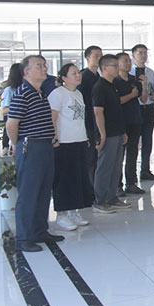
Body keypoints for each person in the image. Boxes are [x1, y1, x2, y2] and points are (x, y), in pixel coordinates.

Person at [6, 55, 64, 252]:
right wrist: (18, 144)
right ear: (26, 72)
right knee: (29, 193)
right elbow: (11, 124)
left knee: (43, 191)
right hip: (31, 147)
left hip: (45, 146)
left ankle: (40, 230)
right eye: (39, 66)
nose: (44, 68)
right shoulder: (22, 94)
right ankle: (23, 238)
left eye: (44, 65)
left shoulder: (39, 93)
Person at [48, 64, 95, 228]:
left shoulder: (78, 93)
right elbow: (52, 118)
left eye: (78, 72)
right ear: (64, 78)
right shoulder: (58, 94)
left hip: (79, 141)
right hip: (64, 143)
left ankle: (73, 212)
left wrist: (85, 137)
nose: (78, 75)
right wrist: (54, 138)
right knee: (64, 180)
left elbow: (80, 119)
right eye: (73, 73)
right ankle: (61, 214)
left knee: (78, 178)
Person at [92, 54, 131, 212]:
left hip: (117, 132)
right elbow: (98, 113)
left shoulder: (112, 85)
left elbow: (117, 111)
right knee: (105, 167)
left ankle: (112, 198)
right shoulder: (99, 87)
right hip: (107, 134)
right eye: (114, 65)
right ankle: (100, 201)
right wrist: (102, 135)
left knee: (116, 167)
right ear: (104, 68)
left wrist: (122, 131)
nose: (117, 68)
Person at [115, 52, 146, 195]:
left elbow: (143, 99)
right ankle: (117, 185)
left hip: (135, 119)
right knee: (119, 154)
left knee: (133, 153)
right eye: (125, 61)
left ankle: (131, 183)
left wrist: (143, 85)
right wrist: (131, 95)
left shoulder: (134, 80)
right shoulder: (114, 81)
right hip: (121, 121)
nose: (128, 63)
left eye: (129, 61)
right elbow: (117, 101)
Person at [130, 44, 154, 181]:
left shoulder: (150, 72)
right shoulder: (129, 72)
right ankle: (131, 174)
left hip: (149, 108)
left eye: (145, 53)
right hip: (135, 108)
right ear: (133, 55)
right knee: (134, 142)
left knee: (148, 140)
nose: (143, 56)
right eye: (140, 53)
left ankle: (145, 170)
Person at [79, 45, 102, 176]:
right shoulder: (83, 77)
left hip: (98, 122)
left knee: (98, 158)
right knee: (90, 159)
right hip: (88, 122)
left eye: (101, 56)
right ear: (88, 58)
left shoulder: (99, 76)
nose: (99, 58)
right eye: (96, 56)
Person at [0, 62, 22, 153]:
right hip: (14, 123)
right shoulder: (9, 90)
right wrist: (19, 105)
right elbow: (4, 110)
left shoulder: (24, 88)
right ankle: (6, 147)